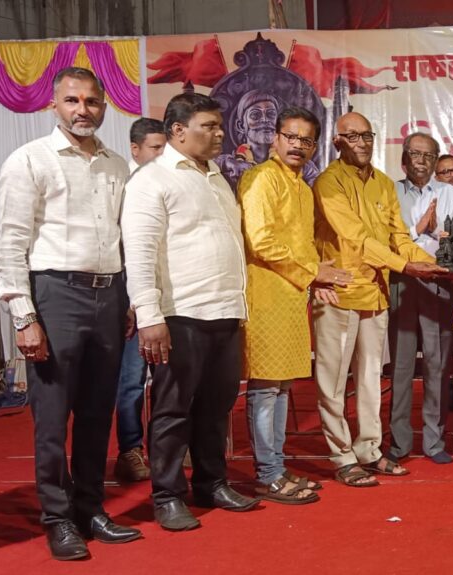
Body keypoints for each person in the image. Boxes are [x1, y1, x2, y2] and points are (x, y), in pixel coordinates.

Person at [0, 66, 141, 560]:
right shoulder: (29, 159)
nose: (83, 110)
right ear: (53, 105)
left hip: (109, 295)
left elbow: (124, 239)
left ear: (104, 107)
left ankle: (91, 508)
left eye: (92, 101)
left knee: (98, 414)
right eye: (72, 100)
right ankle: (57, 519)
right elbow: (9, 243)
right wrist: (23, 316)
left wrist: (128, 301)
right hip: (54, 294)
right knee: (53, 419)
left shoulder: (117, 165)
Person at [123, 92, 261, 532]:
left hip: (226, 310)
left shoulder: (216, 177)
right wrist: (150, 316)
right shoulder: (151, 180)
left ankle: (211, 483)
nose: (220, 134)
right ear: (178, 131)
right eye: (209, 126)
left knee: (217, 407)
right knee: (172, 410)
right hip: (180, 313)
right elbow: (140, 254)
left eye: (220, 126)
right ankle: (167, 496)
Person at [313, 112, 446, 488]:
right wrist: (406, 266)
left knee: (371, 377)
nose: (362, 143)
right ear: (337, 142)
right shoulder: (329, 183)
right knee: (333, 382)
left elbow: (398, 236)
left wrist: (434, 263)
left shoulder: (384, 184)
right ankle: (342, 456)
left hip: (375, 293)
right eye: (352, 136)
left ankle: (369, 450)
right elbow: (356, 239)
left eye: (367, 136)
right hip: (339, 292)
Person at [239, 107, 351, 504]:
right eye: (291, 137)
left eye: (306, 140)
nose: (298, 145)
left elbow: (303, 246)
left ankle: (277, 466)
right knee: (266, 386)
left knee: (283, 386)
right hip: (265, 294)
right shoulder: (261, 178)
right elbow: (260, 241)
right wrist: (313, 272)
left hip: (292, 296)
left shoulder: (302, 188)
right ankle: (267, 474)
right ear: (275, 138)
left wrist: (314, 278)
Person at [387, 132, 453, 466]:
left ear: (435, 161)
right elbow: (388, 240)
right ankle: (399, 442)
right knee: (401, 366)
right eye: (415, 154)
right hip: (402, 282)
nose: (421, 160)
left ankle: (434, 441)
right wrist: (419, 230)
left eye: (429, 155)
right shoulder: (389, 191)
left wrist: (437, 236)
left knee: (438, 364)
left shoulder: (450, 194)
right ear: (404, 158)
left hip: (439, 283)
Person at [114, 117, 166, 483]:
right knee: (132, 380)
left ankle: (166, 446)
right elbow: (124, 250)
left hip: (169, 298)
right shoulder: (125, 187)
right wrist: (132, 302)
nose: (163, 155)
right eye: (155, 148)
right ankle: (129, 450)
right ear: (135, 149)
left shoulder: (172, 182)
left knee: (167, 379)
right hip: (131, 298)